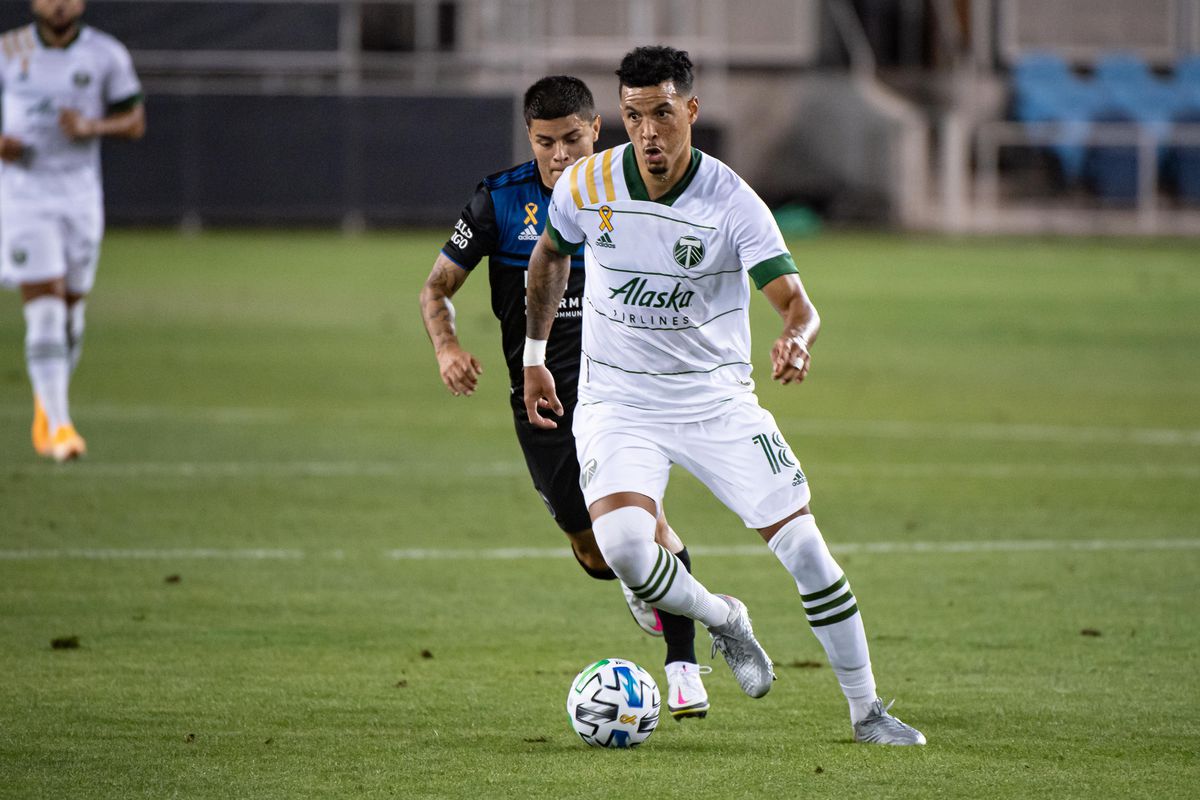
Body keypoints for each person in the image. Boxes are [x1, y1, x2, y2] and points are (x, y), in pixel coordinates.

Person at [523, 46, 926, 745]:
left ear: (692, 111)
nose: (648, 131)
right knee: (621, 547)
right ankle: (723, 618)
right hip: (621, 403)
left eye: (663, 114)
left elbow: (796, 303)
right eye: (634, 115)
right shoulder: (586, 185)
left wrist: (796, 338)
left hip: (716, 403)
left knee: (805, 550)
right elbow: (551, 255)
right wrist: (534, 356)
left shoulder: (733, 202)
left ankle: (868, 713)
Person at [418, 75, 712, 720]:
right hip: (540, 392)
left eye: (572, 140)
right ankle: (637, 579)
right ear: (530, 137)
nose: (560, 155)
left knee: (650, 525)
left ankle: (685, 665)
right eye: (546, 142)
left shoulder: (636, 187)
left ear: (595, 130)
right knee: (588, 544)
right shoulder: (498, 202)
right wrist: (446, 348)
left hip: (625, 389)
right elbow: (436, 289)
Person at [0, 0, 145, 462]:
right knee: (43, 310)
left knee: (69, 314)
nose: (58, 4)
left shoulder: (106, 55)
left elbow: (135, 121)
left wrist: (93, 125)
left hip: (80, 200)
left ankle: (47, 407)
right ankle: (61, 429)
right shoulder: (8, 51)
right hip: (23, 197)